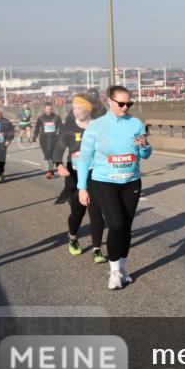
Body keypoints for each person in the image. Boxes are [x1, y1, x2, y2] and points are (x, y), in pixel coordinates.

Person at [75, 86, 151, 289]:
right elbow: (84, 159)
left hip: (131, 181)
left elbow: (145, 154)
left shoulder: (135, 123)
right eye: (121, 103)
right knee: (116, 224)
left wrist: (144, 145)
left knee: (126, 226)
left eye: (129, 103)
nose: (125, 107)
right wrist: (82, 187)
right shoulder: (96, 126)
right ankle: (114, 270)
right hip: (103, 182)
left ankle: (123, 269)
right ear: (110, 101)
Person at [53, 94, 106, 263]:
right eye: (73, 108)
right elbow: (58, 150)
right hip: (74, 175)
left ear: (88, 109)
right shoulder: (68, 128)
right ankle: (73, 237)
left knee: (96, 211)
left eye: (78, 108)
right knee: (78, 212)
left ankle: (97, 250)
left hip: (96, 174)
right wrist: (59, 166)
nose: (75, 111)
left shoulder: (99, 127)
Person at [33, 102, 63, 178]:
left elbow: (61, 128)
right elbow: (36, 128)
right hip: (44, 139)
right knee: (48, 155)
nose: (48, 110)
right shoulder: (41, 118)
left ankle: (50, 171)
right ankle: (50, 171)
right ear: (44, 109)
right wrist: (34, 138)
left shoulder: (56, 117)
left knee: (52, 155)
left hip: (54, 139)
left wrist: (60, 137)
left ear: (52, 109)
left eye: (50, 109)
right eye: (47, 109)